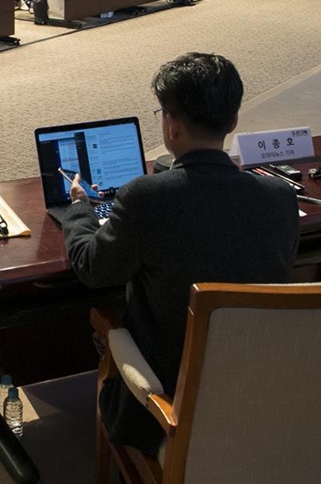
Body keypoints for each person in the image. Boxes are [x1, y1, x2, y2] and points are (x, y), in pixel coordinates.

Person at [48, 53, 300, 457]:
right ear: (233, 121)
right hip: (261, 386)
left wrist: (78, 208)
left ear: (170, 124)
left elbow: (93, 268)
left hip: (172, 399)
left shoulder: (146, 198)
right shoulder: (280, 197)